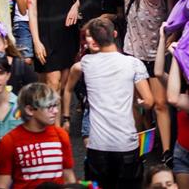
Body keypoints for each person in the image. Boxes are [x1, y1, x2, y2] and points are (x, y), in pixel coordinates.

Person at [63, 18, 154, 189]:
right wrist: (136, 103)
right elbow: (149, 102)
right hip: (126, 145)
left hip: (98, 146)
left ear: (94, 41)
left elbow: (68, 89)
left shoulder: (85, 63)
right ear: (115, 34)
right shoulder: (134, 64)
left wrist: (66, 117)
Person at [119, 0, 171, 159]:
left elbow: (173, 22)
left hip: (156, 58)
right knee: (142, 106)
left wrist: (171, 39)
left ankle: (166, 151)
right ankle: (145, 144)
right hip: (135, 57)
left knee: (160, 104)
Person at [26, 0, 80, 102]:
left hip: (68, 35)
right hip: (46, 36)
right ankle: (51, 123)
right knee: (52, 84)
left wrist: (76, 7)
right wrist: (36, 42)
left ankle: (62, 121)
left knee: (63, 86)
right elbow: (32, 12)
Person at [0, 83, 75, 188]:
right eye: (49, 107)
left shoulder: (61, 135)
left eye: (55, 105)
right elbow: (2, 184)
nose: (55, 111)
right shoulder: (9, 141)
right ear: (30, 110)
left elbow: (68, 175)